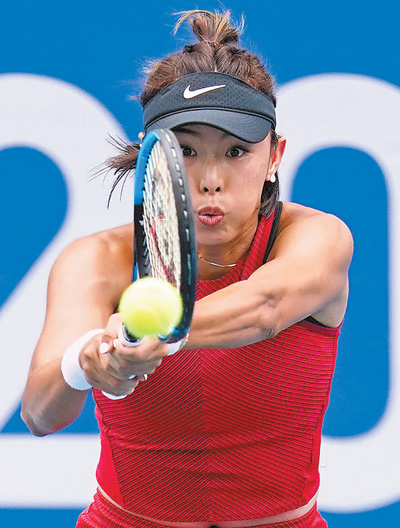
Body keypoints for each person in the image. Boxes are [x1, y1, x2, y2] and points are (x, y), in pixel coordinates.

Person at [21, 9, 353, 528]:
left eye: (237, 151)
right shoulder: (98, 260)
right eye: (188, 151)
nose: (211, 179)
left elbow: (265, 307)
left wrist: (151, 334)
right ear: (152, 158)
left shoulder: (317, 237)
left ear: (275, 156)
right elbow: (40, 413)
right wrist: (85, 363)